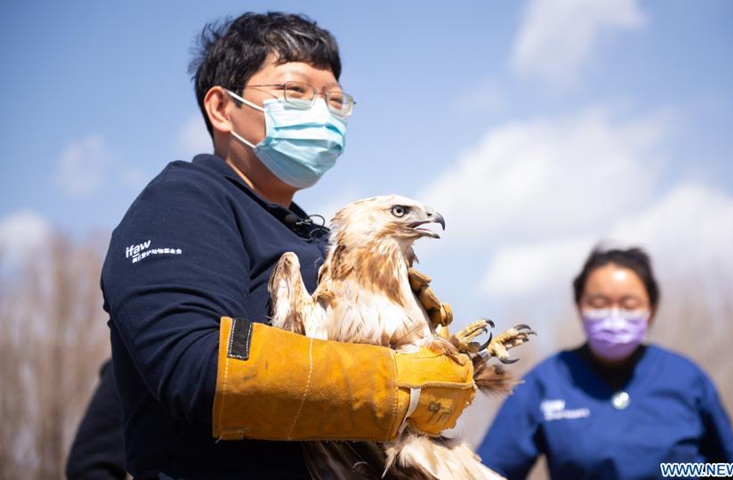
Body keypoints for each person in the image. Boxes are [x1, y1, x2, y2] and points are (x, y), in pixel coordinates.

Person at [84, 12, 474, 480]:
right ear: (222, 108)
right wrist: (396, 382)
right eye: (295, 91)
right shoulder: (181, 202)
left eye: (334, 100)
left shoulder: (309, 233)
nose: (322, 111)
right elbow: (199, 370)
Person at [477, 247, 733, 480]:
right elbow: (488, 471)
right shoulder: (545, 383)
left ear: (650, 309)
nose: (614, 314)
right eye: (599, 303)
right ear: (580, 307)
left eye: (629, 304)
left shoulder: (687, 379)